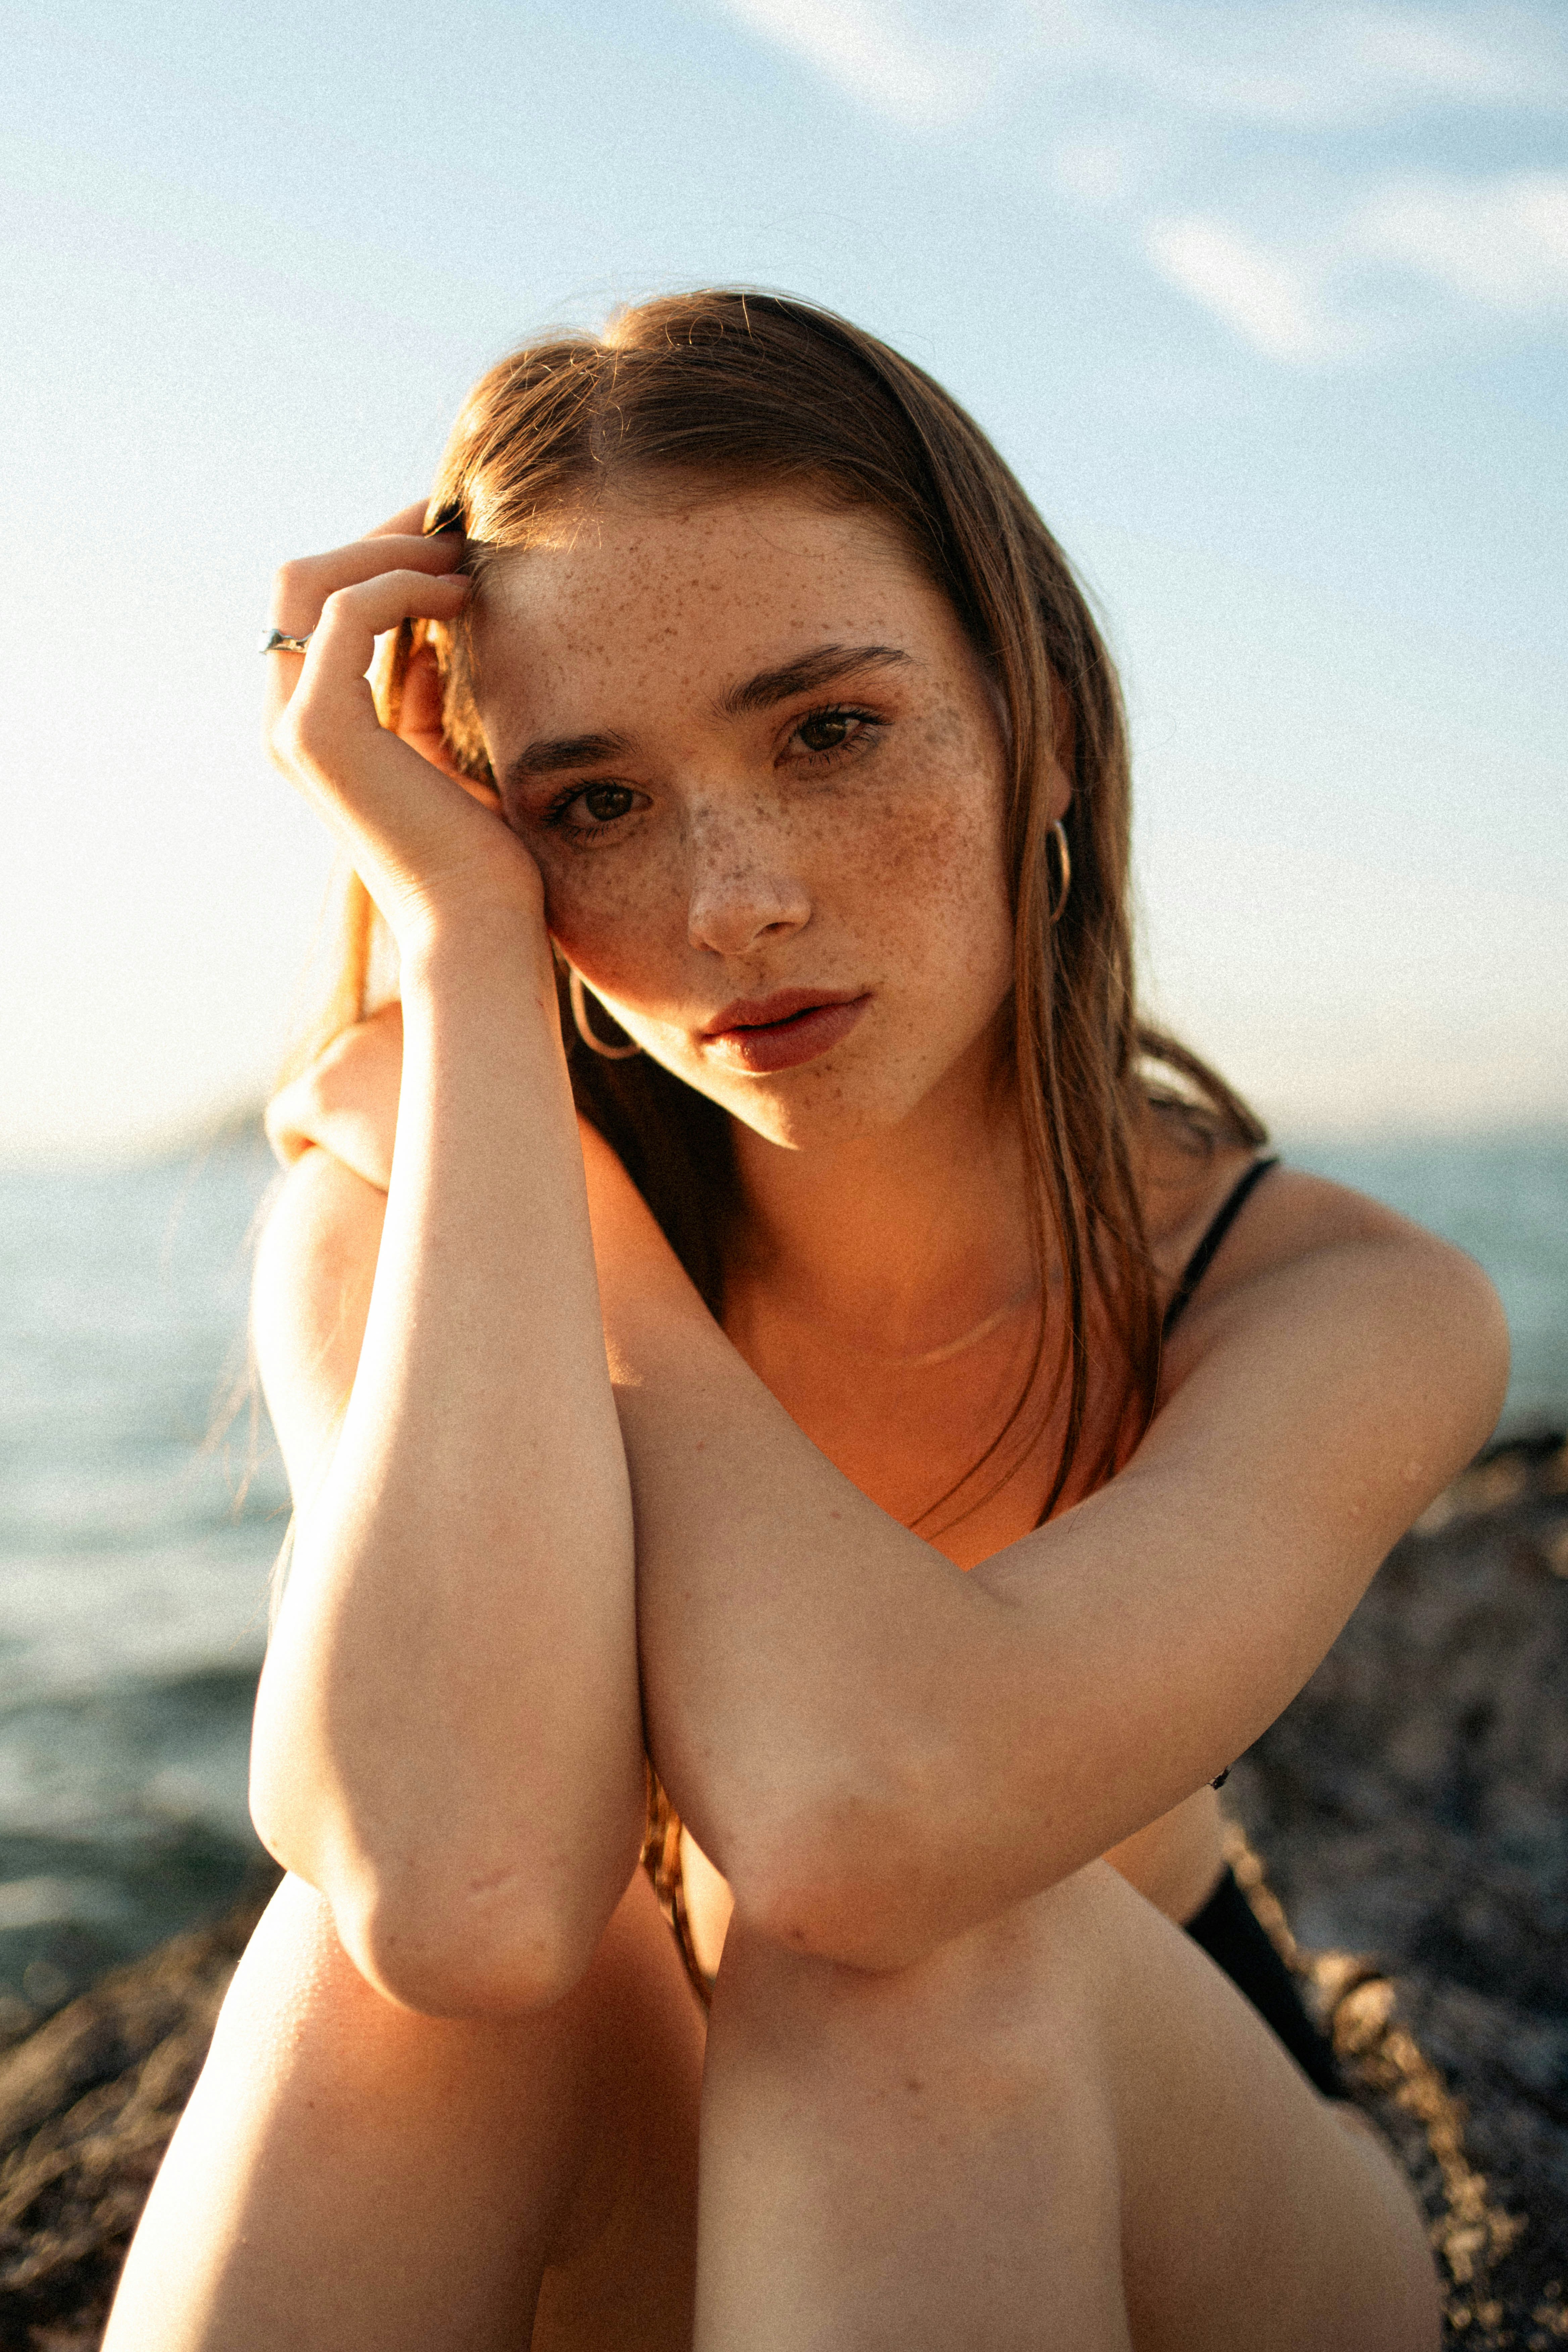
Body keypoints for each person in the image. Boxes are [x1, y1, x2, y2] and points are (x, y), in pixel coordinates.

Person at [105, 291, 1504, 2350]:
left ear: (1034, 721)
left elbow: (873, 1824)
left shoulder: (1338, 1300)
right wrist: (473, 969)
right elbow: (457, 1894)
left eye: (828, 733)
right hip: (715, 2193)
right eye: (590, 807)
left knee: (912, 1957)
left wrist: (592, 1240)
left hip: (1189, 2205)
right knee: (368, 1980)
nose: (731, 899)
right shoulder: (400, 1216)